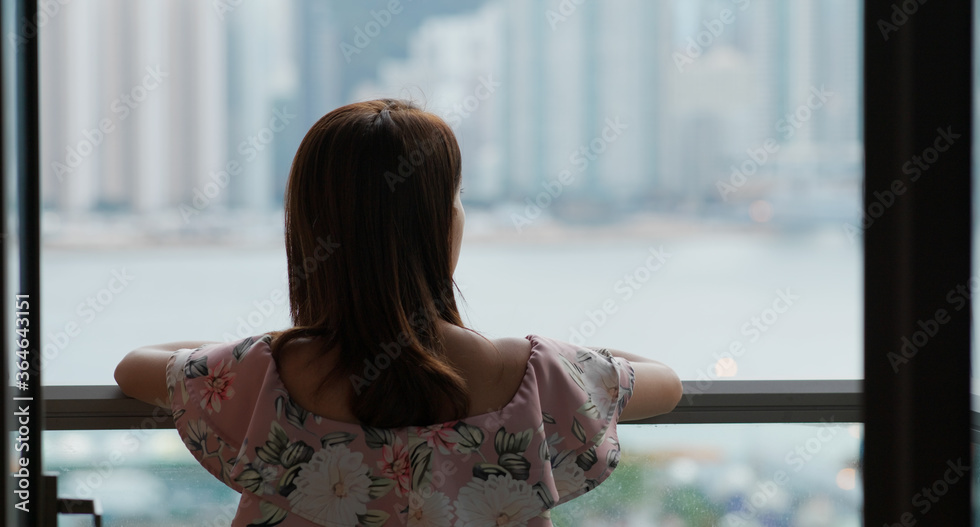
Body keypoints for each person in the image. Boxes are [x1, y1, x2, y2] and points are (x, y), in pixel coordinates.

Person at [115, 99, 683, 526]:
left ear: (309, 231)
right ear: (442, 225)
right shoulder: (533, 376)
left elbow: (137, 366)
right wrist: (563, 353)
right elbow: (666, 382)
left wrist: (280, 343)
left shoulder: (265, 374)